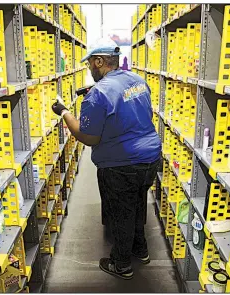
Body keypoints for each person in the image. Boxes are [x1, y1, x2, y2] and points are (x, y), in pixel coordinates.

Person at [51, 37, 162, 280]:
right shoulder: (137, 80)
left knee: (121, 213)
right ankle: (140, 250)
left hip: (122, 164)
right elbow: (141, 112)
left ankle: (121, 264)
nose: (89, 69)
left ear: (99, 61)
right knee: (136, 205)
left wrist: (65, 112)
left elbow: (88, 136)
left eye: (90, 64)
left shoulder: (98, 94)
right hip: (151, 158)